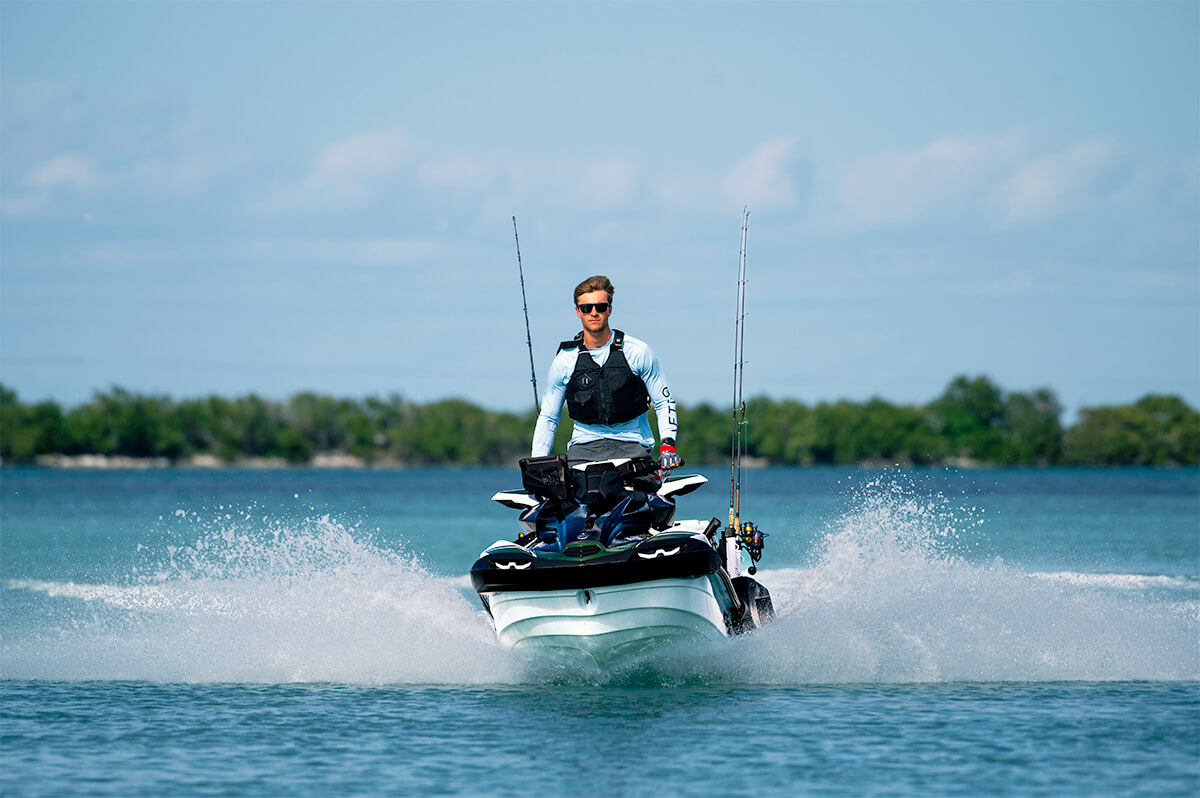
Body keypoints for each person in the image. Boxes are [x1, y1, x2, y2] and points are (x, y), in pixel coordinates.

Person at [531, 275, 682, 471]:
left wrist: (667, 445)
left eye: (600, 307)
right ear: (578, 312)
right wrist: (537, 463)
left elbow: (664, 402)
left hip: (632, 449)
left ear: (609, 309)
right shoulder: (564, 360)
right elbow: (549, 417)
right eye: (586, 308)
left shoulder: (638, 352)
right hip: (583, 451)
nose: (594, 313)